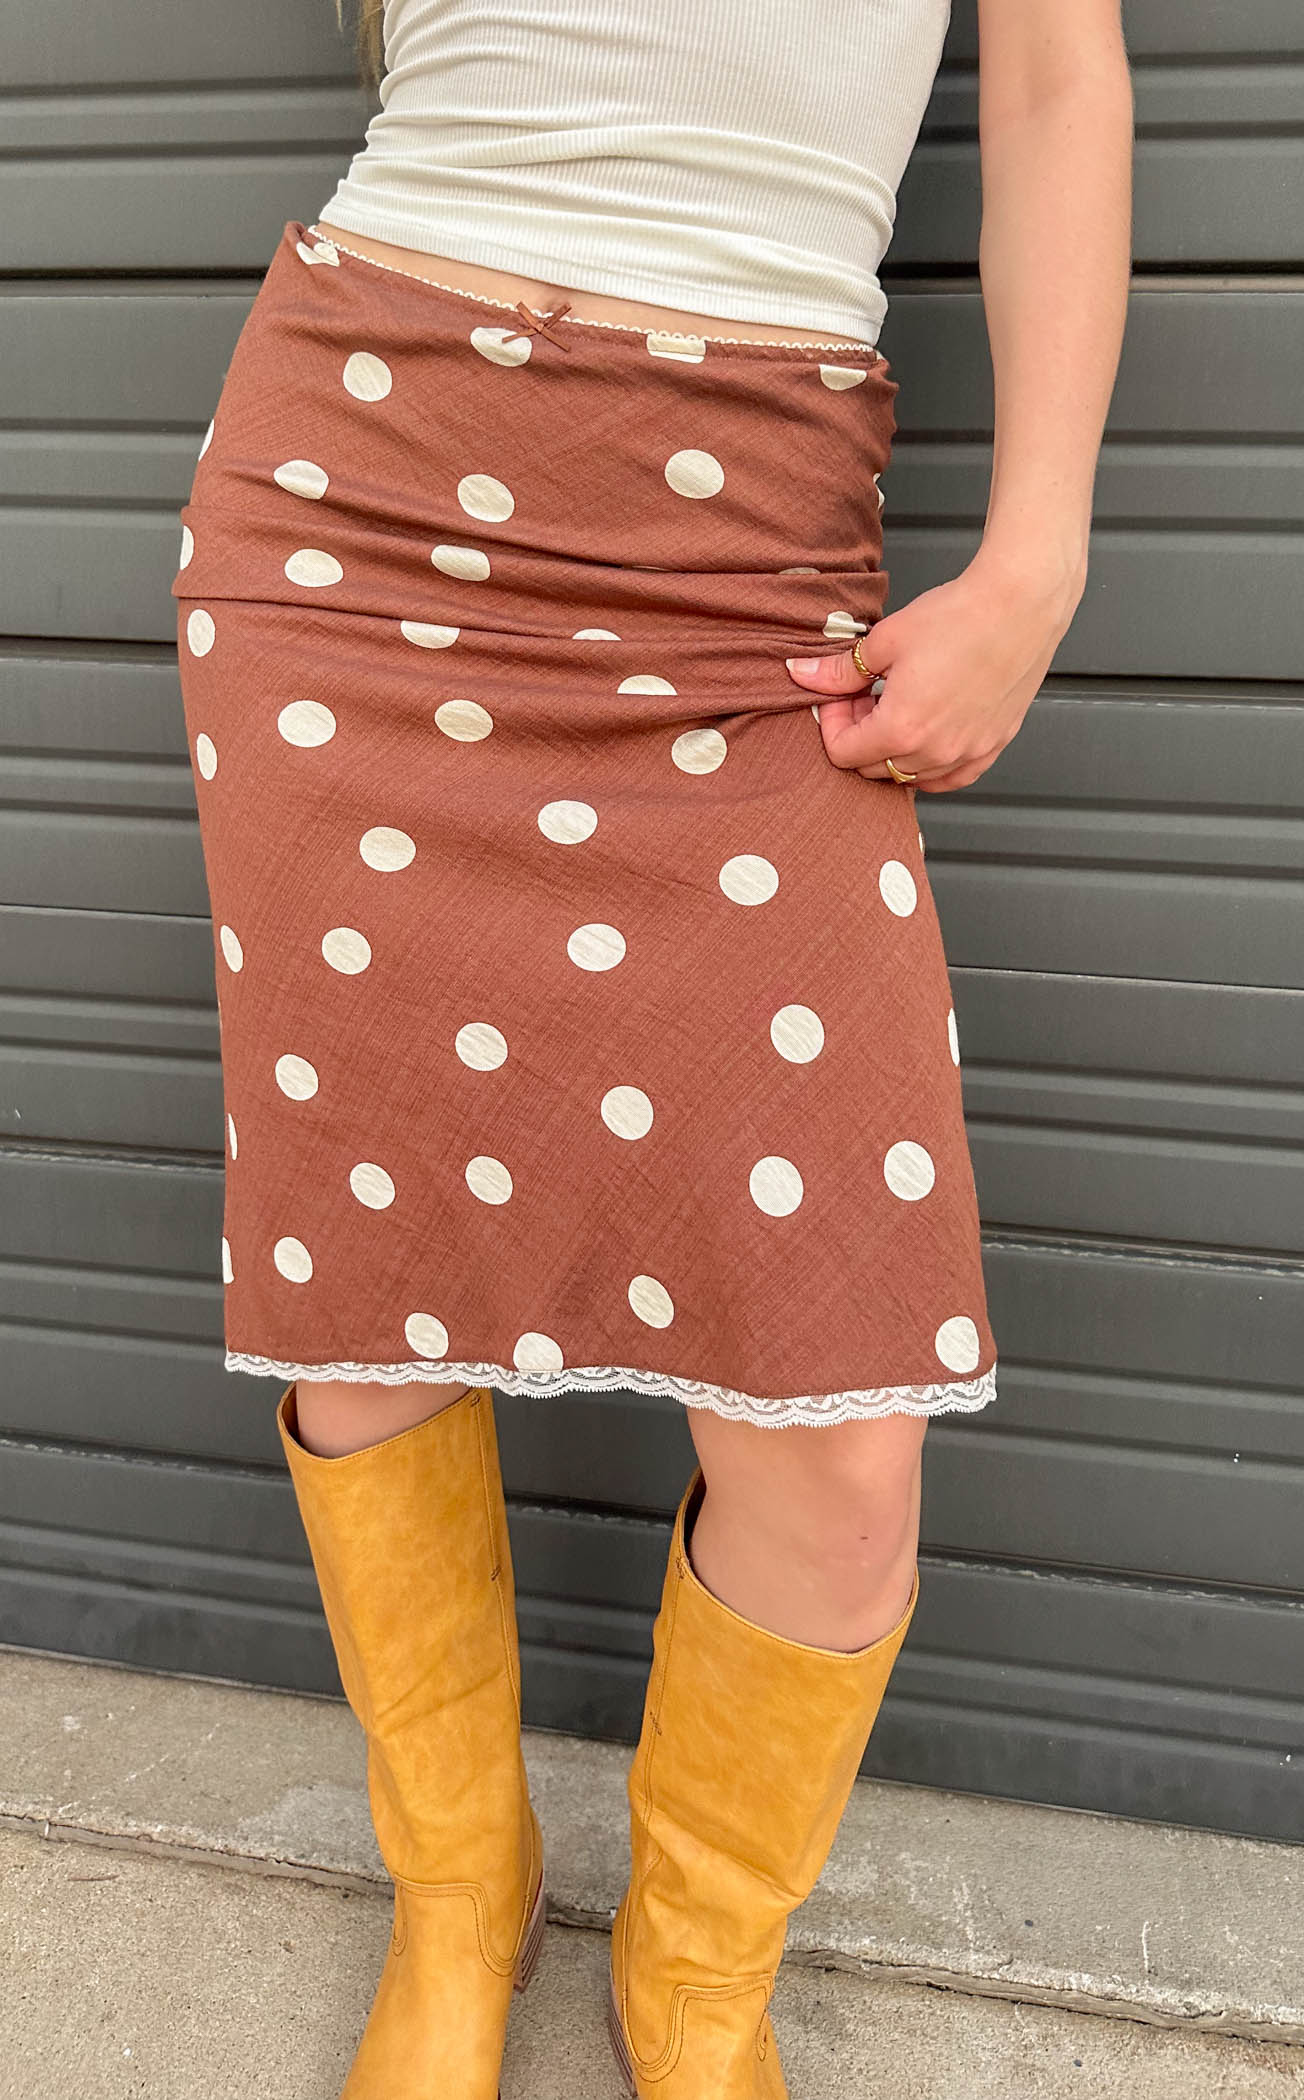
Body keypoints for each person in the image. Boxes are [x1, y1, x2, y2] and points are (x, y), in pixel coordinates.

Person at [171, 1, 1132, 2093]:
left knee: (838, 1452)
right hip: (356, 497)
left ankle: (697, 1981)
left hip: (743, 550)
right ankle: (459, 1893)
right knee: (375, 1301)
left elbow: (1059, 73)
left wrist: (1038, 553)